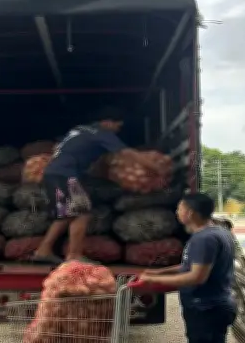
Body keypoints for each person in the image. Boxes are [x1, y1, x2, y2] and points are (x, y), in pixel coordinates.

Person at [32, 106, 169, 264]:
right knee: (82, 212)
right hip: (65, 173)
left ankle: (43, 250)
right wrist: (156, 169)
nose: (118, 129)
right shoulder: (102, 134)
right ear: (108, 122)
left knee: (67, 214)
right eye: (118, 125)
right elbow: (127, 153)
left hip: (53, 173)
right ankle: (74, 255)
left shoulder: (80, 130)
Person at [139, 193, 236, 343]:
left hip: (207, 309)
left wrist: (154, 283)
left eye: (180, 209)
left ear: (190, 213)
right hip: (210, 307)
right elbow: (187, 266)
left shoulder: (204, 239)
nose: (177, 212)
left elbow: (196, 276)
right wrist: (157, 273)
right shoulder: (215, 233)